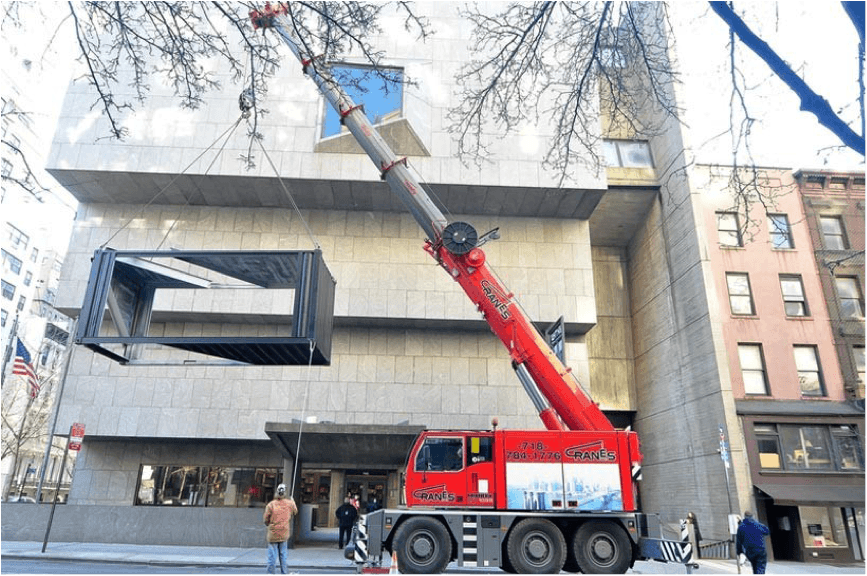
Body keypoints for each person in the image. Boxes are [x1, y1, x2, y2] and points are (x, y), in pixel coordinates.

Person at [263, 483, 297, 575]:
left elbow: (266, 519)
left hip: (273, 534)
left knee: (272, 556)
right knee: (283, 555)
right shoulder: (289, 504)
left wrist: (269, 524)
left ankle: (270, 573)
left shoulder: (271, 505)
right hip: (284, 533)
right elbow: (295, 511)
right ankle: (284, 572)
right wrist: (293, 501)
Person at [736, 510, 770, 575]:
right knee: (760, 568)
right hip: (761, 550)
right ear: (752, 516)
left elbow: (739, 541)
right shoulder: (758, 525)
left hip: (750, 551)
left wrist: (739, 552)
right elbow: (767, 531)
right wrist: (756, 522)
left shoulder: (741, 527)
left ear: (744, 516)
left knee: (755, 567)